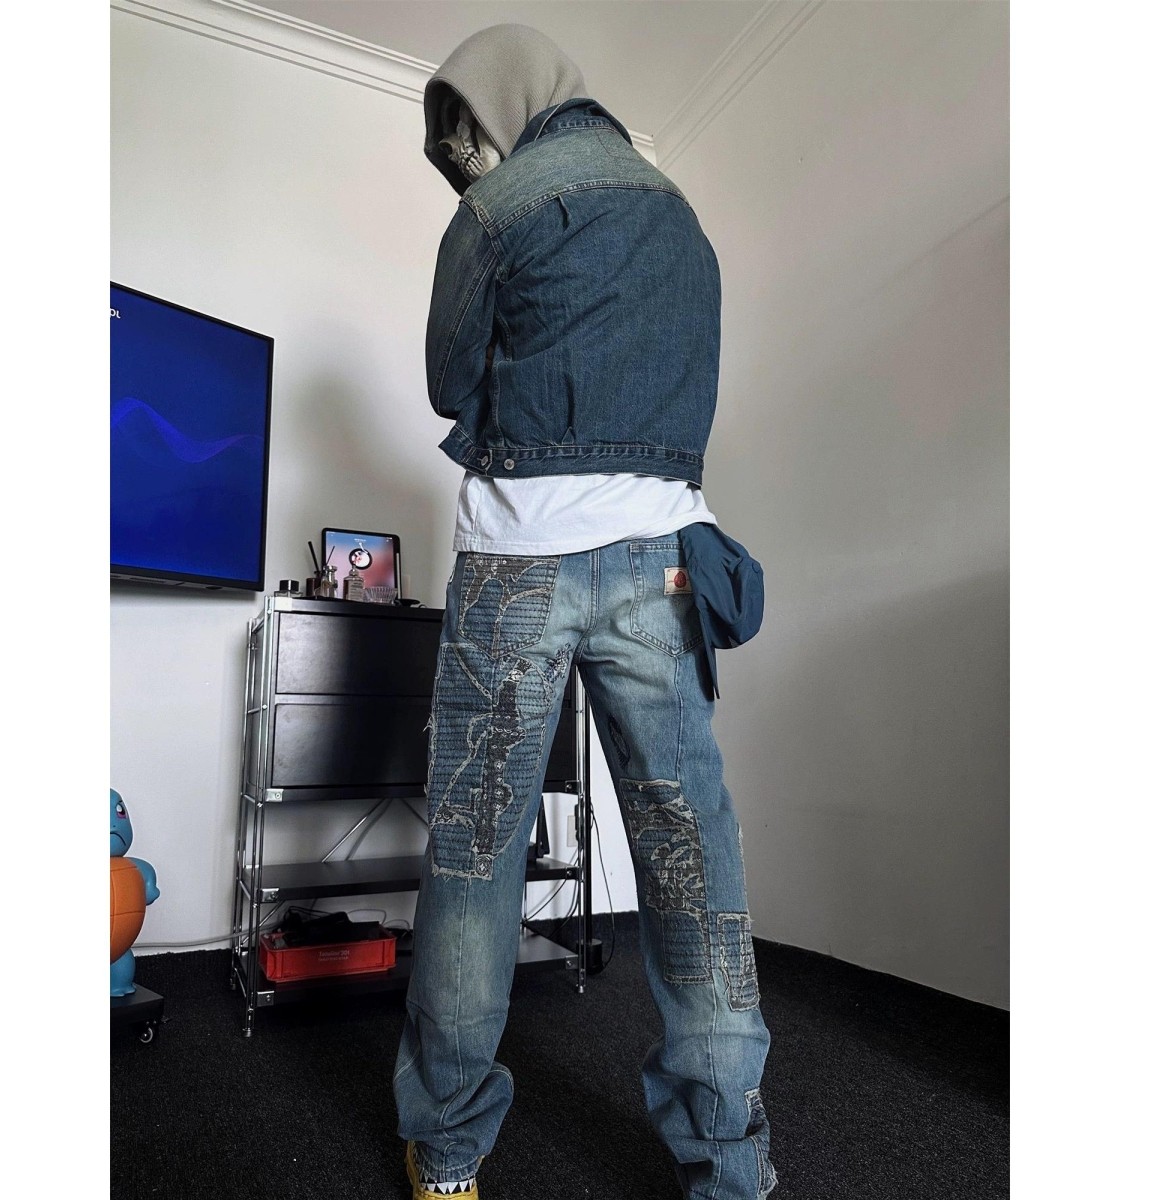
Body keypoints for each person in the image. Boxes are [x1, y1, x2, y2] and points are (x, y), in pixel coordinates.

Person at [392, 24, 777, 1200]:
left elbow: (446, 381)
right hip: (662, 563)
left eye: (467, 134)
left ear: (495, 107)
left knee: (477, 856)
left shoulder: (497, 210)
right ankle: (731, 1166)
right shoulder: (680, 215)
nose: (468, 157)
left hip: (518, 563)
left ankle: (447, 1153)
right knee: (690, 857)